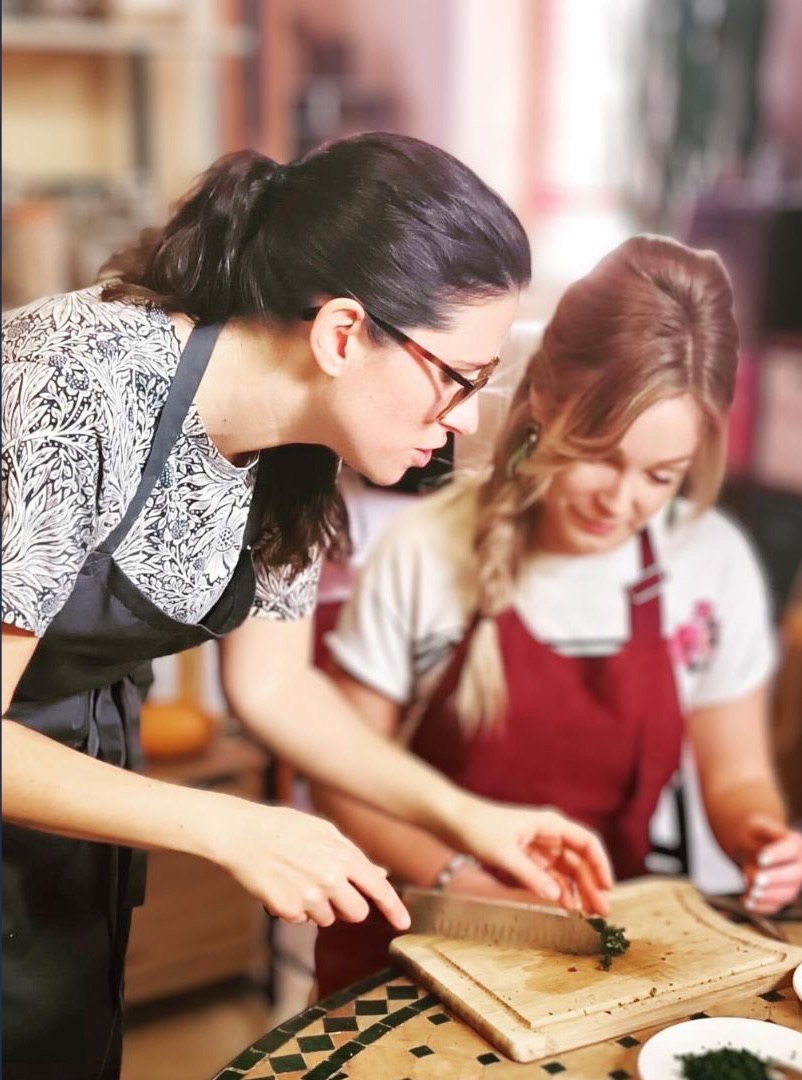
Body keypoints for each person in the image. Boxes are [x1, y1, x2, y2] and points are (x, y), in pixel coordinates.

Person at [1, 133, 613, 1080]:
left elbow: (276, 687)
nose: (464, 419)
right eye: (460, 378)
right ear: (340, 334)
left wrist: (468, 818)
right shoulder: (73, 383)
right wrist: (231, 825)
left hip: (67, 813)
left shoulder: (298, 447)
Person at [311, 233, 802, 996]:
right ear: (543, 401)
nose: (621, 500)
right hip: (415, 945)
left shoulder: (710, 564)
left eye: (661, 477)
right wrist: (462, 876)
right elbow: (342, 783)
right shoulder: (425, 550)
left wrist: (760, 838)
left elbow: (736, 774)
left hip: (595, 957)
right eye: (599, 454)